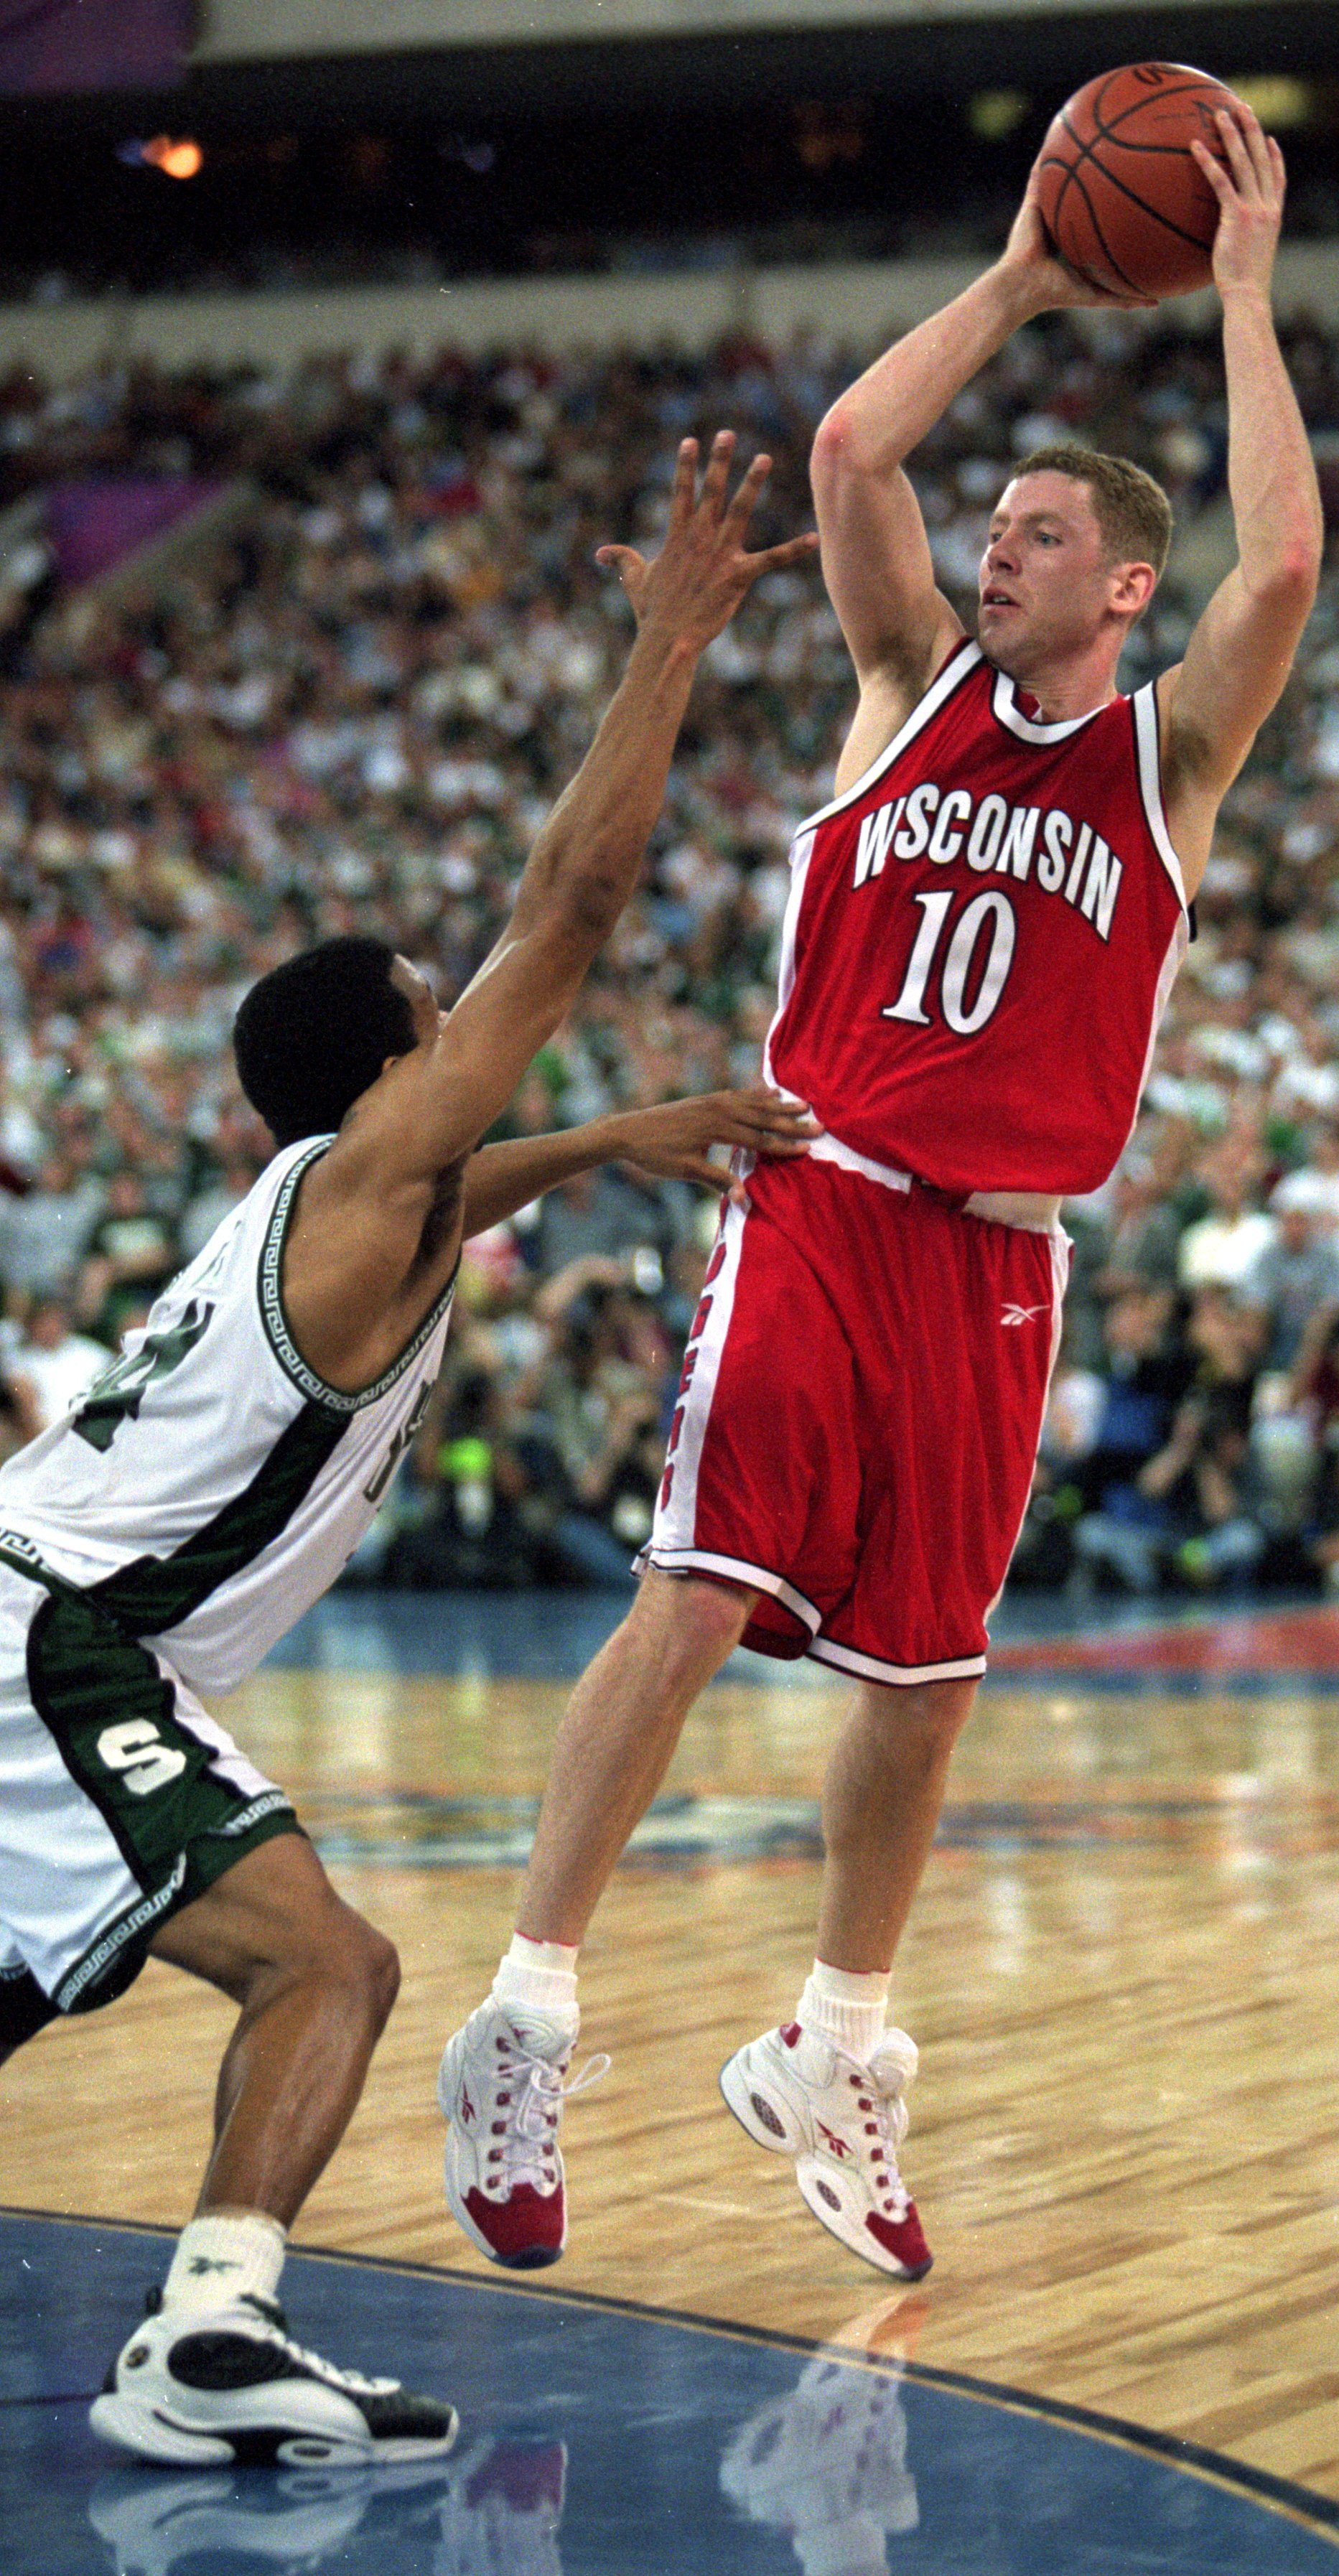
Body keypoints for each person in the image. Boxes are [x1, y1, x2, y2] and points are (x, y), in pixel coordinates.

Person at [441, 100, 1319, 2285]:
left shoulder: (1163, 755)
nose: (992, 549)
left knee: (928, 1674)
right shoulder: (901, 689)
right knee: (705, 1576)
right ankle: (529, 2006)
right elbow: (846, 457)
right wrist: (1027, 272)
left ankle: (836, 2041)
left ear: (1127, 583)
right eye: (992, 524)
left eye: (1037, 533)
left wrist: (1232, 294)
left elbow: (1283, 568)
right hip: (822, 1191)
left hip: (1002, 1261)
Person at [0, 435, 814, 2467]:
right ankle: (212, 2328)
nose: (474, 1023)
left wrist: (604, 1142)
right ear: (385, 1068)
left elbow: (454, 1182)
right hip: (64, 1638)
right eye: (440, 1017)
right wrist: (671, 648)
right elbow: (580, 895)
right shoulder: (372, 1176)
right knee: (330, 1968)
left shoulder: (323, 1204)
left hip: (45, 1609)